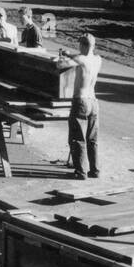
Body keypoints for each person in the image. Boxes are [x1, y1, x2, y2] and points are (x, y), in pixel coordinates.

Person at [58, 34, 102, 179]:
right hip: (94, 102)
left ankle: (80, 172)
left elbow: (60, 65)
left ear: (82, 45)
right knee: (92, 139)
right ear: (93, 46)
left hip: (81, 101)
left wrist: (62, 56)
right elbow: (82, 56)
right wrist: (70, 54)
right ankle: (95, 170)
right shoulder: (98, 60)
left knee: (77, 138)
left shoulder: (79, 59)